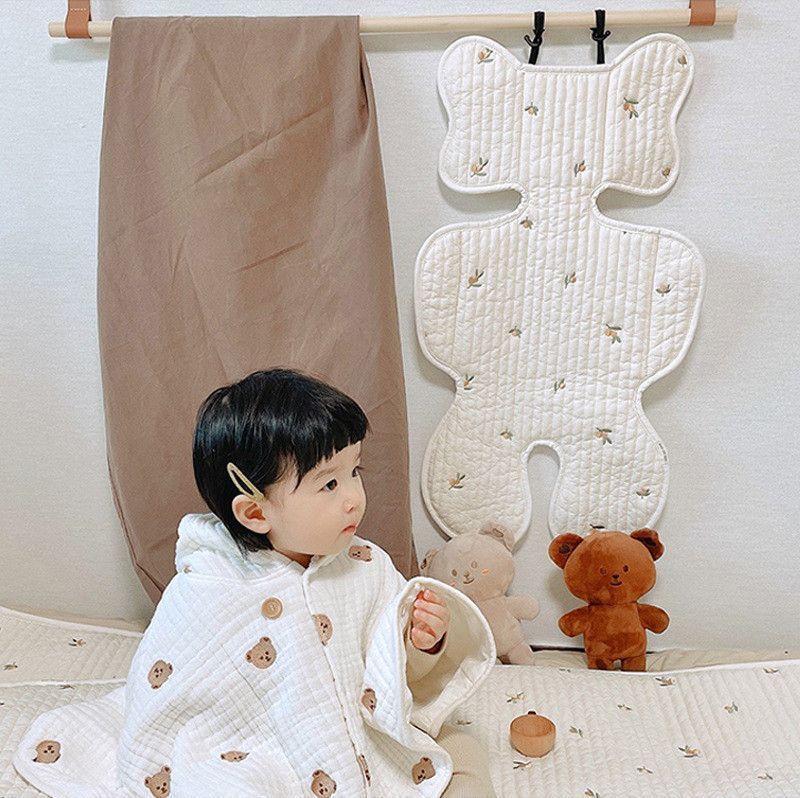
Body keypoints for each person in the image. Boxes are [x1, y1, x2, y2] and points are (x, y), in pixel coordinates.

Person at [14, 367, 497, 798]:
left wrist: (420, 643)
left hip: (360, 734)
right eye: (329, 484)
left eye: (355, 471)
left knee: (459, 747)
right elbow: (169, 697)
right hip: (255, 749)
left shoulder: (364, 564)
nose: (354, 497)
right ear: (255, 512)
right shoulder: (208, 589)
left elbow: (389, 676)